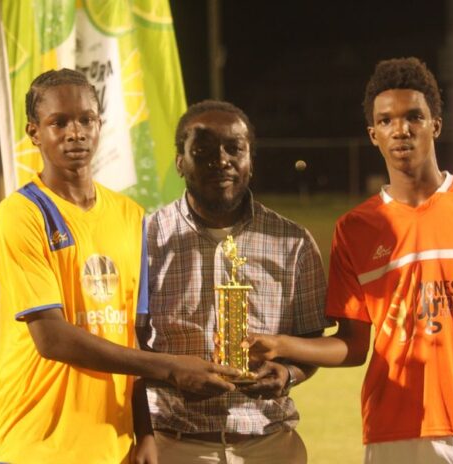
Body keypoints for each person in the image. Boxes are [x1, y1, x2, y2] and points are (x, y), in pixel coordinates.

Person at [247, 57, 453, 464]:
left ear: (435, 124)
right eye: (386, 121)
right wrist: (282, 345)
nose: (400, 130)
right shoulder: (355, 228)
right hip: (389, 433)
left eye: (413, 117)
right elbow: (353, 346)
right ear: (373, 135)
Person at [0, 70, 239, 464]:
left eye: (86, 119)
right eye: (59, 122)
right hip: (36, 444)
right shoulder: (21, 214)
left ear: (100, 124)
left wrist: (144, 432)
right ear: (34, 133)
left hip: (114, 446)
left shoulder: (131, 216)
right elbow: (52, 338)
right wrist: (171, 368)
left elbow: (134, 335)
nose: (76, 132)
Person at [135, 100, 332, 464]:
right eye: (203, 150)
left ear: (250, 160)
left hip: (270, 443)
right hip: (174, 443)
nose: (221, 159)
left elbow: (310, 342)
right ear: (180, 161)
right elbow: (128, 345)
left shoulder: (294, 243)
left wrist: (288, 373)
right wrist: (173, 377)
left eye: (234, 149)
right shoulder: (146, 239)